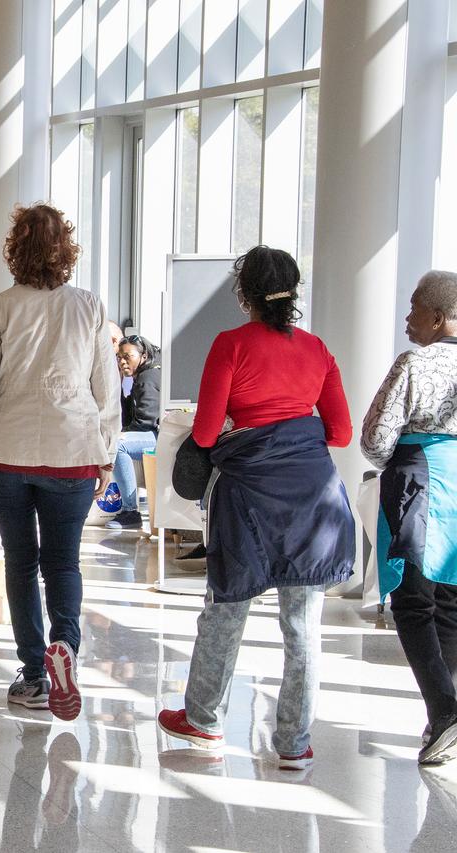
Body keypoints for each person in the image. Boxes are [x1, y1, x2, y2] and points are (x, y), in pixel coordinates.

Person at [157, 245, 354, 772]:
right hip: (314, 499)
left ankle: (204, 721)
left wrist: (244, 427)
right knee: (303, 625)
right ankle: (294, 743)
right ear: (294, 293)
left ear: (244, 295)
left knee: (226, 608)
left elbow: (202, 432)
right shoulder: (318, 350)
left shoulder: (230, 345)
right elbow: (340, 432)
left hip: (247, 494)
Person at [0, 204, 118, 721]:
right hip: (72, 454)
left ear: (13, 250)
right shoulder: (89, 307)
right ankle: (64, 646)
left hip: (6, 454)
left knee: (20, 563)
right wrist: (106, 453)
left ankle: (34, 674)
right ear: (65, 249)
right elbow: (106, 389)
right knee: (63, 561)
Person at [361, 270, 457, 766]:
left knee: (413, 602)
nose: (406, 316)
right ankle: (442, 713)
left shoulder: (415, 364)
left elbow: (376, 438)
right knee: (451, 601)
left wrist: (393, 461)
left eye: (415, 307)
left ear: (438, 317)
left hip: (422, 482)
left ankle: (445, 710)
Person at [106, 335, 161, 530]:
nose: (122, 361)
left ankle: (130, 511)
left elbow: (146, 420)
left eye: (127, 356)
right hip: (154, 434)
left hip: (158, 437)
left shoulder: (147, 378)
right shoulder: (139, 377)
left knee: (118, 444)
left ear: (143, 356)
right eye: (119, 357)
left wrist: (123, 433)